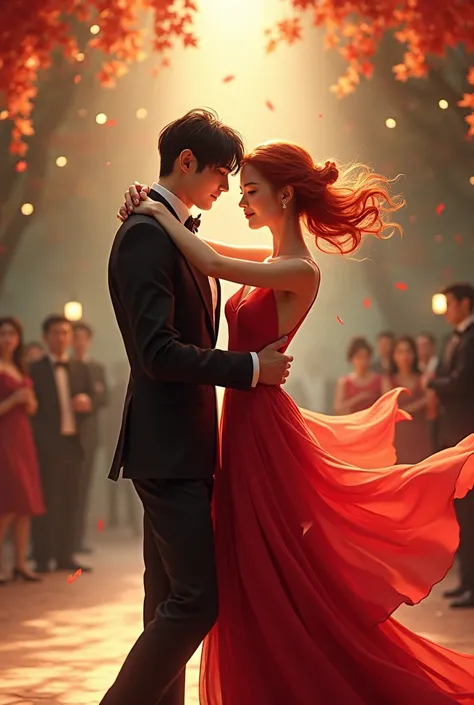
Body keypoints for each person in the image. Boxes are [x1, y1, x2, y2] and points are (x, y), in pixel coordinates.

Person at [121, 139, 474, 705]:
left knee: (270, 564)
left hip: (261, 425)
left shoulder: (299, 270)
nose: (241, 201)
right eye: (238, 191)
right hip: (239, 418)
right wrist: (155, 205)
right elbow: (199, 246)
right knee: (244, 567)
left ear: (285, 194)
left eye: (252, 191)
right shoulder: (271, 259)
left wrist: (157, 212)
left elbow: (207, 263)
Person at [103, 110, 291, 705]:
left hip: (183, 445)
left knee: (167, 603)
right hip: (166, 447)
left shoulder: (170, 229)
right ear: (186, 162)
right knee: (195, 603)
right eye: (220, 174)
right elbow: (158, 352)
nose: (227, 189)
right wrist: (252, 369)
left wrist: (156, 208)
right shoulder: (144, 235)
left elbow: (209, 261)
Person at [30, 315, 95, 574]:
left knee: (71, 500)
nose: (61, 337)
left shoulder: (80, 367)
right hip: (48, 444)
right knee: (48, 500)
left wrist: (87, 402)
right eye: (56, 333)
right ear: (46, 337)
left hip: (74, 443)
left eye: (65, 332)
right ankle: (43, 556)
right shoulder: (35, 370)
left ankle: (66, 555)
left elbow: (96, 397)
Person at [427, 283, 474, 608]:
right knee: (463, 513)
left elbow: (461, 382)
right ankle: (466, 581)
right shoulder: (456, 337)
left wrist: (432, 383)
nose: (447, 308)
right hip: (454, 433)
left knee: (470, 513)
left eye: (451, 302)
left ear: (465, 303)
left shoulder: (470, 339)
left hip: (467, 432)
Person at [0, 317, 44, 583]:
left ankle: (19, 563)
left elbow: (32, 407)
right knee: (6, 503)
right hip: (4, 437)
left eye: (12, 334)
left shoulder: (21, 368)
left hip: (23, 436)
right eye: (3, 333)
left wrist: (28, 402)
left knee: (25, 504)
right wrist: (12, 401)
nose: (8, 339)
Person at [72, 322, 109, 553]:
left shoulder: (96, 368)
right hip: (66, 438)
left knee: (83, 490)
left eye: (83, 337)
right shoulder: (67, 367)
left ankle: (77, 540)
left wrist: (90, 402)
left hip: (90, 438)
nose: (79, 342)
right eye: (76, 337)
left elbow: (104, 398)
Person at [382, 336, 434, 464]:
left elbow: (432, 410)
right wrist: (422, 403)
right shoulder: (387, 380)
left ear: (414, 354)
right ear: (393, 356)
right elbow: (392, 410)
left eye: (408, 351)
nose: (404, 356)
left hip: (421, 435)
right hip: (397, 438)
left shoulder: (423, 378)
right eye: (400, 352)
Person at [333, 336, 382, 414]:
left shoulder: (380, 380)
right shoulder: (344, 382)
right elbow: (338, 409)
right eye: (359, 357)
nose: (363, 361)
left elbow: (389, 405)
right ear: (352, 359)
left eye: (366, 357)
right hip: (353, 423)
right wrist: (357, 399)